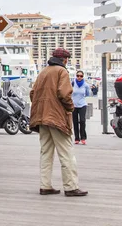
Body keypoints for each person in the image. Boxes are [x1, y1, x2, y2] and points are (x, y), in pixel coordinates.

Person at [29, 48, 88, 197]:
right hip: (56, 118)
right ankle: (71, 187)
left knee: (46, 153)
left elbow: (32, 93)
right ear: (65, 60)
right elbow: (64, 93)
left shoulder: (43, 72)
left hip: (42, 118)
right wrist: (70, 108)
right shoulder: (62, 72)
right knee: (66, 153)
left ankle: (45, 185)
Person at [72, 71, 91, 145]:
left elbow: (87, 94)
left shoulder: (86, 85)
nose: (79, 77)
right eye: (78, 76)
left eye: (81, 76)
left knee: (82, 121)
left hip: (82, 104)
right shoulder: (73, 83)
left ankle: (83, 137)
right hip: (74, 105)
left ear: (83, 77)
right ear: (76, 76)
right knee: (75, 121)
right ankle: (77, 138)